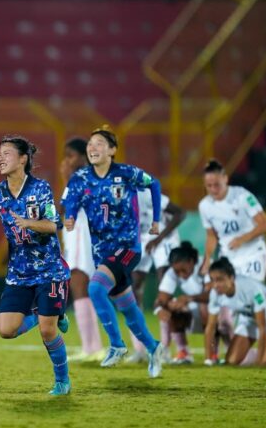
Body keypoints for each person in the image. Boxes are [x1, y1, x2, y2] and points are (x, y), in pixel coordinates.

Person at [62, 126, 166, 378]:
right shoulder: (81, 178)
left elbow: (154, 184)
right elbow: (69, 202)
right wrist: (71, 217)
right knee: (128, 307)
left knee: (96, 288)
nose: (93, 147)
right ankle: (154, 348)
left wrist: (156, 220)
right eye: (90, 144)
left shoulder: (126, 174)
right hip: (102, 253)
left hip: (128, 249)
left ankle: (117, 344)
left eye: (99, 143)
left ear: (112, 150)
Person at [0, 136, 71, 395]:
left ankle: (62, 381)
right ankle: (48, 313)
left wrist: (29, 223)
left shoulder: (40, 189)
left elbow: (53, 225)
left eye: (6, 153)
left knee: (49, 332)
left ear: (23, 159)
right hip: (18, 273)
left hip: (49, 270)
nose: (0, 158)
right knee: (6, 330)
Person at [59, 137, 105, 362]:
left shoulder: (84, 177)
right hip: (78, 232)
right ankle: (93, 346)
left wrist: (66, 178)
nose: (67, 160)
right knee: (83, 286)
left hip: (82, 232)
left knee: (79, 282)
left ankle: (92, 348)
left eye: (71, 155)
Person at [127, 191, 185, 364]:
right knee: (133, 290)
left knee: (164, 288)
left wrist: (158, 239)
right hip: (141, 239)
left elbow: (180, 212)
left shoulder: (147, 193)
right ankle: (139, 349)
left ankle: (165, 349)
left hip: (164, 238)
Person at [198, 159, 266, 281]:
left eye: (216, 185)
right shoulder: (205, 206)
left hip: (252, 254)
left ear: (225, 179)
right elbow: (211, 236)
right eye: (209, 186)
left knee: (250, 293)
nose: (213, 190)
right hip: (228, 257)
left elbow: (265, 224)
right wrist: (208, 259)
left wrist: (242, 239)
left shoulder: (242, 196)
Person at [205, 258, 266, 366]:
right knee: (230, 362)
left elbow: (262, 327)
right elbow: (210, 327)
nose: (216, 285)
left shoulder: (250, 288)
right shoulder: (215, 294)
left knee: (264, 363)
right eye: (212, 280)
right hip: (250, 318)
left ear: (231, 278)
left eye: (220, 279)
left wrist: (259, 364)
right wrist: (207, 360)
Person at [153, 242, 214, 364]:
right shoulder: (172, 272)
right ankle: (183, 352)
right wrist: (160, 310)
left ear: (191, 261)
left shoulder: (205, 265)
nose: (180, 274)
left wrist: (188, 298)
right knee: (170, 306)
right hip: (195, 311)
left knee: (205, 306)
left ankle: (214, 352)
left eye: (183, 269)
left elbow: (214, 296)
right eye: (177, 271)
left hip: (219, 312)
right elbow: (161, 299)